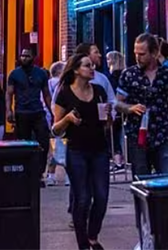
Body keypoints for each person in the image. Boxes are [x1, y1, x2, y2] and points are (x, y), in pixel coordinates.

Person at [52, 54, 112, 250]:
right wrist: (68, 119)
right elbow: (55, 129)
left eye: (92, 65)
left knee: (101, 197)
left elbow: (106, 124)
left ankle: (93, 235)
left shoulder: (99, 91)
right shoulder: (64, 93)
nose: (92, 68)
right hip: (77, 150)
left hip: (99, 149)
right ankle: (83, 244)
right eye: (87, 65)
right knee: (83, 197)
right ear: (76, 70)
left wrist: (109, 117)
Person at [116, 34, 168, 178]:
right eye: (136, 53)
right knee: (142, 180)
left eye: (142, 54)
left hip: (163, 133)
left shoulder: (167, 74)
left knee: (167, 178)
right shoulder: (129, 74)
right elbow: (117, 102)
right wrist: (130, 108)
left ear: (154, 53)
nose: (138, 57)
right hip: (137, 135)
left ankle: (165, 201)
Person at [6, 48, 52, 166]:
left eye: (27, 56)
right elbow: (9, 93)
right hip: (22, 112)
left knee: (43, 141)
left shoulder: (41, 73)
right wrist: (9, 110)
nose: (24, 58)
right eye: (22, 56)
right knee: (23, 143)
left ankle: (40, 170)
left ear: (33, 57)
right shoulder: (15, 74)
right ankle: (25, 169)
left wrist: (52, 111)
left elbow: (46, 93)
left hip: (37, 111)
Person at [105, 51, 126, 170]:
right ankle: (120, 159)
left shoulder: (112, 77)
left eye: (108, 59)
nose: (107, 62)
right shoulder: (124, 74)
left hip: (116, 109)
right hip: (123, 108)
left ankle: (118, 160)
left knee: (112, 134)